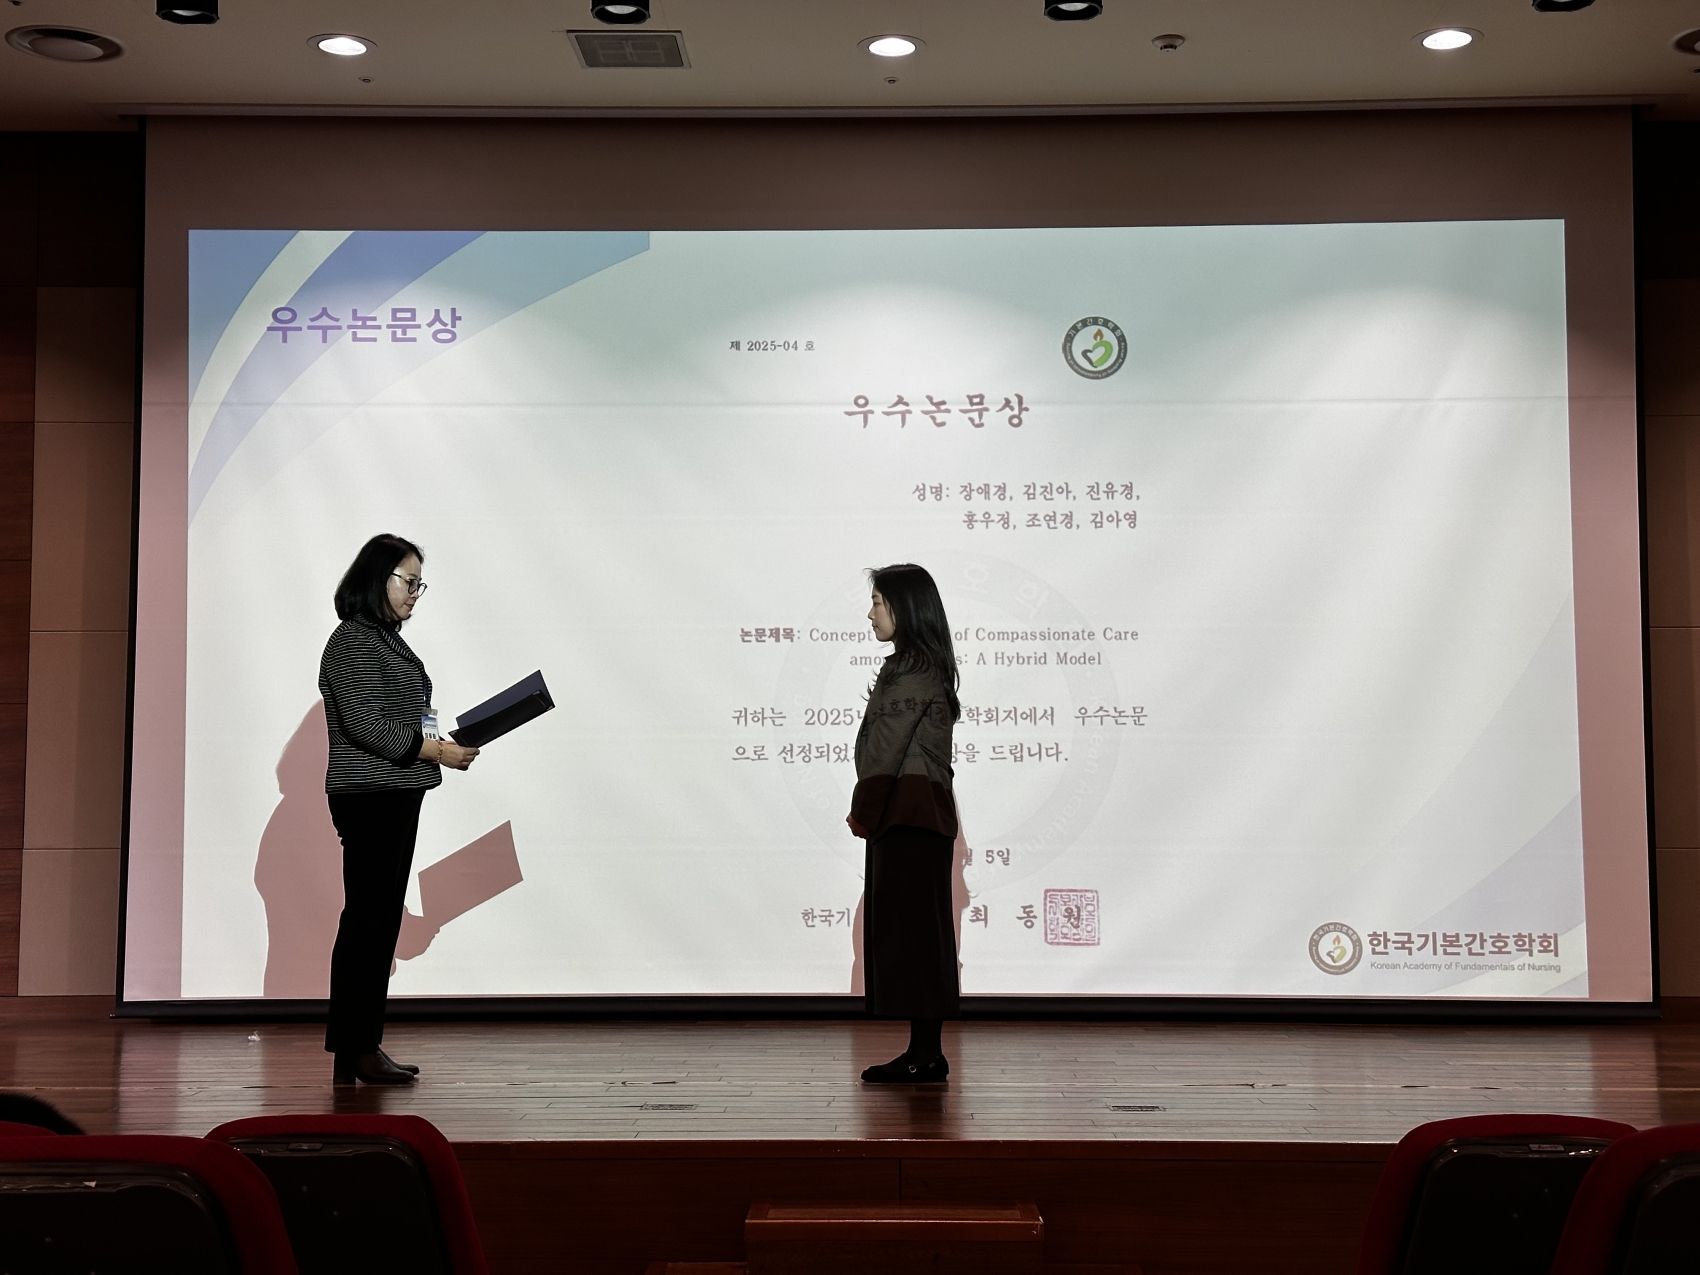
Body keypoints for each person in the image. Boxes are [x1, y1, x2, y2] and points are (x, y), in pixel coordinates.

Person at [318, 534, 479, 1085]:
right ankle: (356, 1049)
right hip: (370, 795)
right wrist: (438, 752)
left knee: (377, 921)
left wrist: (446, 744)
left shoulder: (386, 641)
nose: (415, 593)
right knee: (368, 922)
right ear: (377, 578)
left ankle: (359, 1049)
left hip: (394, 792)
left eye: (419, 584)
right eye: (408, 581)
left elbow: (407, 718)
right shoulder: (353, 640)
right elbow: (366, 725)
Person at [846, 563, 962, 1083]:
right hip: (917, 814)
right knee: (919, 936)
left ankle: (926, 1055)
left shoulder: (912, 668)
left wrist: (865, 810)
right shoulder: (921, 664)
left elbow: (886, 747)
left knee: (915, 937)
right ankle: (924, 1053)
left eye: (877, 603)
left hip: (908, 814)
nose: (870, 614)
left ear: (905, 608)